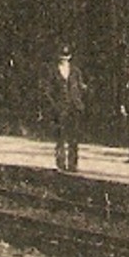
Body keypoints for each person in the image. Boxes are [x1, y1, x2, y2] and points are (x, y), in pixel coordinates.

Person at [46, 44, 87, 172]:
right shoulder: (53, 72)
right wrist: (54, 105)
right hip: (60, 108)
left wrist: (79, 101)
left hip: (74, 107)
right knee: (60, 137)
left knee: (74, 138)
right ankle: (61, 163)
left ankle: (73, 164)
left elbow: (80, 87)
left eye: (66, 57)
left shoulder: (75, 71)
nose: (64, 59)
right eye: (62, 57)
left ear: (70, 57)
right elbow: (47, 91)